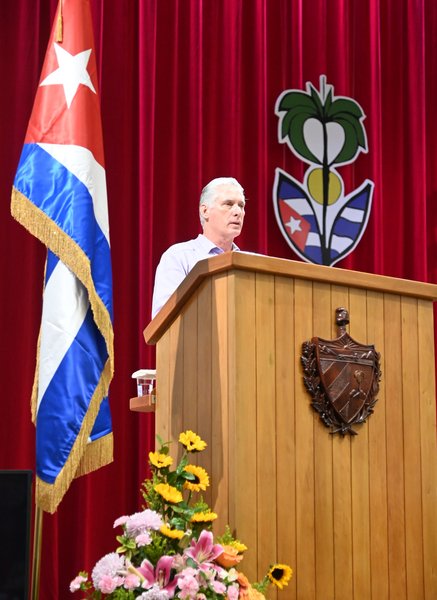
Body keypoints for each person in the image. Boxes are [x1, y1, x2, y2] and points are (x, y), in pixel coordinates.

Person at [151, 177, 246, 317]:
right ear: (205, 211)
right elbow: (163, 320)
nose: (238, 212)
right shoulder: (179, 257)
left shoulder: (253, 262)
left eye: (241, 205)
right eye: (228, 204)